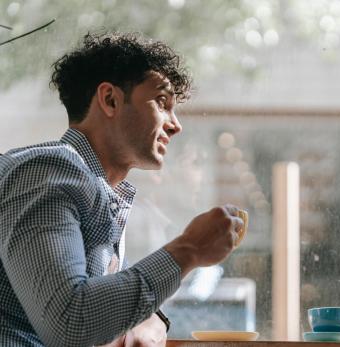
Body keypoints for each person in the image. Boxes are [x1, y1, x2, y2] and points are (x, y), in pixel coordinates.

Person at [0, 32, 244, 346]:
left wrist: (154, 319)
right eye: (161, 102)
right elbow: (70, 323)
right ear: (110, 100)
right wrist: (189, 249)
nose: (175, 124)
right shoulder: (50, 172)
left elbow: (109, 303)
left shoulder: (94, 191)